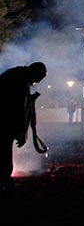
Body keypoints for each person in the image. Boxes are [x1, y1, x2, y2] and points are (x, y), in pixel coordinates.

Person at [0, 61, 47, 190]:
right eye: (38, 79)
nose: (36, 82)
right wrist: (21, 132)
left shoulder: (15, 75)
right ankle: (4, 180)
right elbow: (18, 108)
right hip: (3, 124)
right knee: (4, 153)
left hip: (4, 123)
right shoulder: (20, 82)